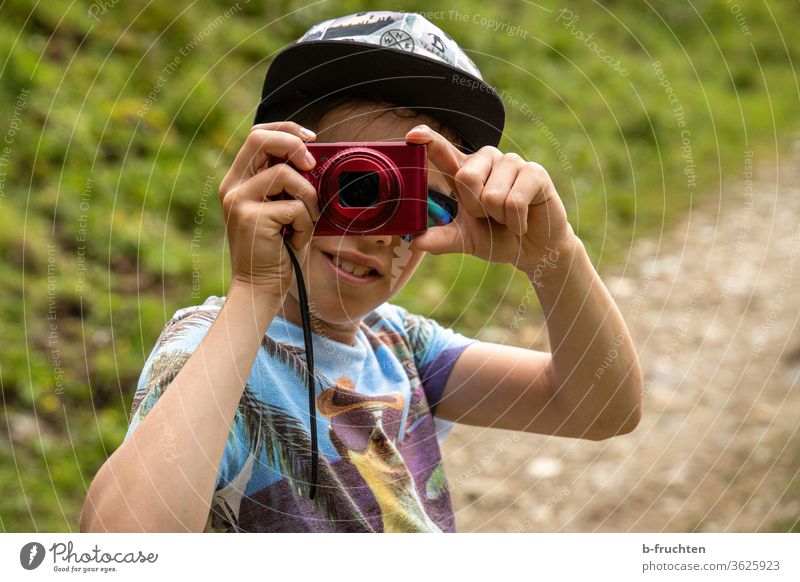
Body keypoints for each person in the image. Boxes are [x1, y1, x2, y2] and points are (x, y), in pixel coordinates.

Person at [80, 11, 642, 533]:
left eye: (421, 203)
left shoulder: (401, 346)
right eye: (356, 186)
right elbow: (119, 546)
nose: (378, 232)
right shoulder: (209, 352)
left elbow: (601, 408)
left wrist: (555, 255)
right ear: (277, 177)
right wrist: (255, 289)